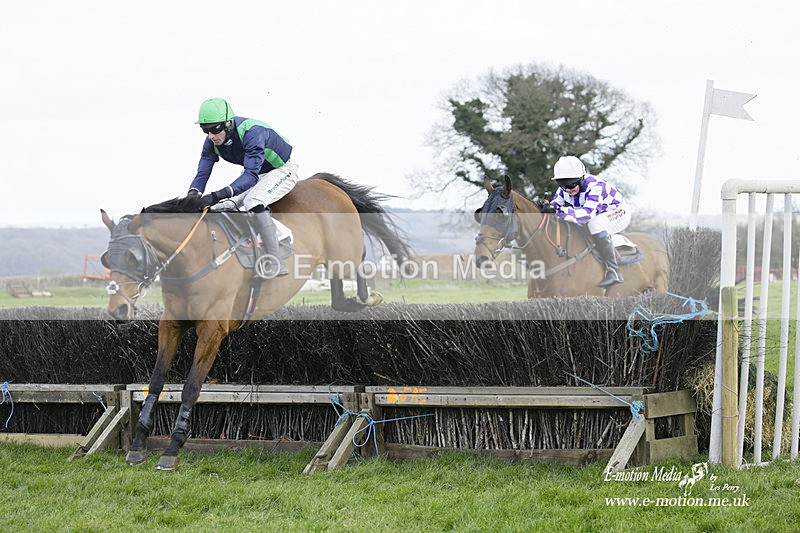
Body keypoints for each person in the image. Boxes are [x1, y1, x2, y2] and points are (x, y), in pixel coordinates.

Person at [187, 98, 297, 277]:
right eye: (205, 130)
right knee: (221, 206)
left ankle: (276, 260)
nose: (211, 135)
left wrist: (217, 194)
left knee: (253, 200)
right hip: (257, 173)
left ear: (228, 124)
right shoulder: (211, 142)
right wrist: (193, 195)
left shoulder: (252, 133)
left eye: (215, 129)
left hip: (282, 169)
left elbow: (250, 176)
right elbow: (202, 174)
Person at [541, 155, 631, 288]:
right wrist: (545, 206)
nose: (568, 190)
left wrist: (558, 211)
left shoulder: (596, 186)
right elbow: (556, 206)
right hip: (597, 214)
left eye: (571, 184)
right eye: (562, 185)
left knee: (595, 225)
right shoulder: (564, 189)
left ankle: (614, 271)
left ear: (581, 178)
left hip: (618, 213)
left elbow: (586, 215)